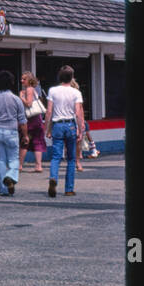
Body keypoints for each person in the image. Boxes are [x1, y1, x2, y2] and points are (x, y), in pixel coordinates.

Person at [44, 66, 85, 197]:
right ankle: (69, 189)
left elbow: (49, 111)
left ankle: (53, 178)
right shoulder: (76, 92)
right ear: (71, 77)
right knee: (72, 159)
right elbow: (78, 113)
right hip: (70, 125)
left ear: (59, 77)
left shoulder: (53, 90)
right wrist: (80, 129)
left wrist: (47, 128)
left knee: (56, 156)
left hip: (57, 125)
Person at [0, 71, 28, 196]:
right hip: (12, 132)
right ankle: (10, 176)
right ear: (11, 83)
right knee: (14, 159)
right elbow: (23, 120)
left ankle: (3, 190)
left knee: (0, 161)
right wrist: (25, 135)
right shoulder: (16, 100)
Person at [19, 72, 46, 173]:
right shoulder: (34, 90)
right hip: (37, 119)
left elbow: (29, 104)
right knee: (38, 141)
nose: (22, 81)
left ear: (29, 80)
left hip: (31, 119)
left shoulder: (29, 89)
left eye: (24, 79)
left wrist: (21, 97)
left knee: (25, 141)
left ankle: (20, 165)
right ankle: (38, 165)